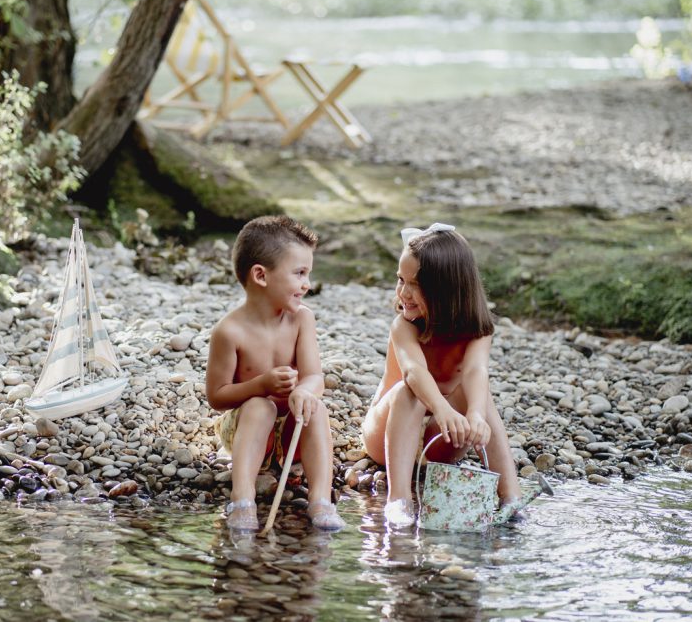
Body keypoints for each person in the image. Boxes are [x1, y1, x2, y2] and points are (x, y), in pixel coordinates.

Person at [362, 223, 521, 528]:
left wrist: (475, 414)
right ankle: (399, 500)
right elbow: (414, 371)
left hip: (441, 438)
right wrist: (442, 408)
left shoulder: (478, 330)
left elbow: (476, 370)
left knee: (482, 399)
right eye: (401, 280)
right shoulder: (404, 326)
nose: (403, 292)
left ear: (446, 291)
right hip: (388, 435)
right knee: (408, 390)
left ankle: (511, 496)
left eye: (415, 285)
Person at [206, 215, 345, 532]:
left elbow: (315, 376)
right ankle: (243, 499)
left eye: (308, 273)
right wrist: (261, 385)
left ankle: (321, 500)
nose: (307, 284)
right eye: (299, 273)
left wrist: (304, 391)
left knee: (316, 407)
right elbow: (217, 397)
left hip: (292, 435)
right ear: (261, 275)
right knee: (260, 406)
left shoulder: (301, 320)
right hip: (247, 431)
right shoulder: (229, 331)